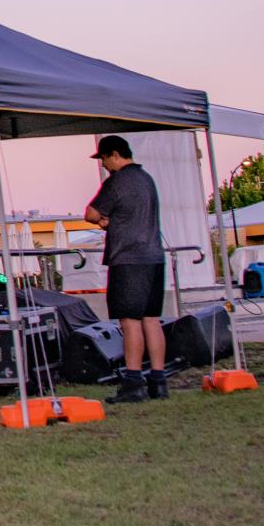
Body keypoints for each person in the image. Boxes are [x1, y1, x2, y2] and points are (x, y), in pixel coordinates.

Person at [83, 136, 168, 404]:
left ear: (115, 155)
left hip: (128, 260)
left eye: (104, 159)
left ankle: (133, 382)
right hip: (154, 257)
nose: (104, 165)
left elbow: (90, 213)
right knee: (152, 319)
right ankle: (158, 380)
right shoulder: (146, 179)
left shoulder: (117, 182)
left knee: (129, 322)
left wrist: (105, 221)